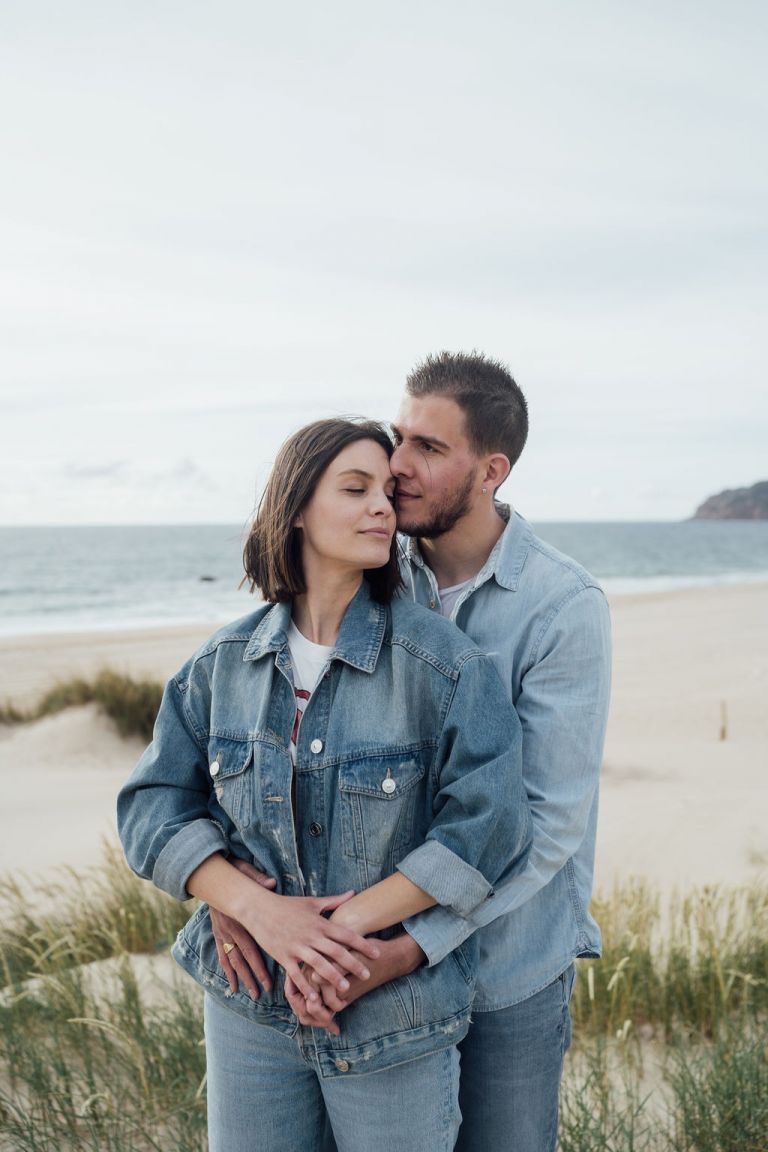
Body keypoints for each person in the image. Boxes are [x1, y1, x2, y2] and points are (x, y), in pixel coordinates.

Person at [215, 355, 612, 1152]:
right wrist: (240, 898)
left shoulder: (564, 608)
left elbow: (543, 825)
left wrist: (404, 947)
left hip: (504, 968)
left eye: (429, 448)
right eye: (399, 438)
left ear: (491, 469)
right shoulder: (367, 565)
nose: (397, 467)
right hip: (359, 963)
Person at [117, 417, 532, 1152]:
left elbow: (489, 824)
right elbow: (153, 807)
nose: (384, 507)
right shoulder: (223, 664)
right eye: (355, 489)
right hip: (248, 1016)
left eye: (386, 491)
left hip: (392, 1016)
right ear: (297, 506)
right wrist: (251, 908)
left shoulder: (444, 666)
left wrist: (337, 932)